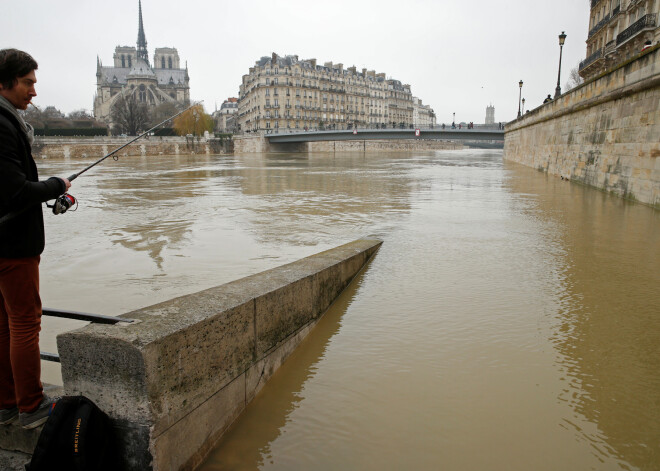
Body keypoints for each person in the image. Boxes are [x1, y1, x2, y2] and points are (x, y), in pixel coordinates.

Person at [0, 49, 71, 429]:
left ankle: (7, 402)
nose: (33, 91)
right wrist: (55, 185)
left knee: (4, 325)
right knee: (25, 324)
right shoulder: (3, 125)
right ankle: (30, 406)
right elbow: (15, 192)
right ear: (4, 82)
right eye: (27, 82)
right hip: (13, 245)